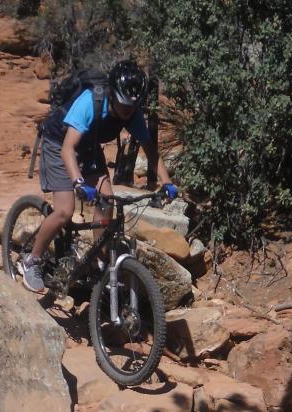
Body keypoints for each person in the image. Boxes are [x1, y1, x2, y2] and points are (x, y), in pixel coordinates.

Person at [19, 59, 178, 293]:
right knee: (64, 210)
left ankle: (97, 260)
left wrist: (167, 182)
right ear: (113, 94)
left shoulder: (131, 112)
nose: (128, 112)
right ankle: (32, 260)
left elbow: (150, 149)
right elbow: (67, 150)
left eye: (132, 107)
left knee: (107, 199)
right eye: (124, 105)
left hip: (88, 148)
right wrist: (79, 182)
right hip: (59, 144)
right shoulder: (91, 101)